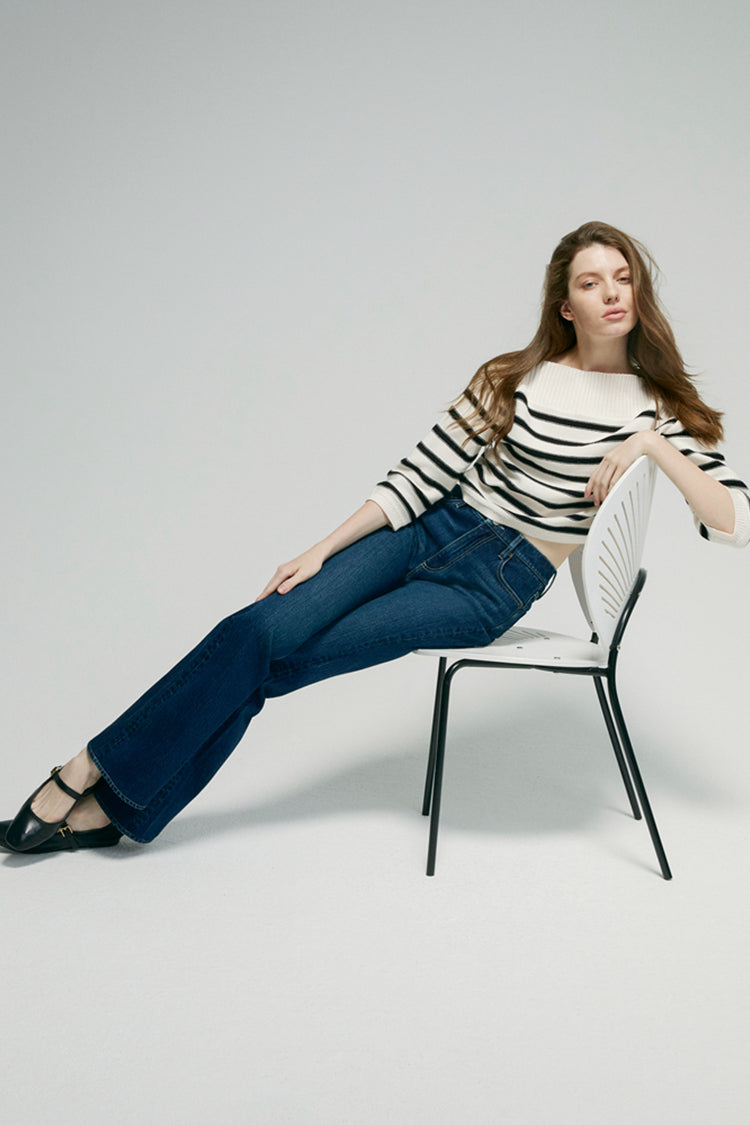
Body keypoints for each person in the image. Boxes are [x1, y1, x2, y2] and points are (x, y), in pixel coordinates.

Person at [3, 220, 748, 855]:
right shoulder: (511, 376)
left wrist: (652, 445)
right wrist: (321, 548)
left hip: (495, 583)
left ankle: (96, 788)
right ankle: (103, 788)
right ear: (565, 304)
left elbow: (735, 522)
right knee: (258, 629)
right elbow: (422, 471)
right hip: (429, 527)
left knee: (275, 660)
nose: (613, 292)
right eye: (591, 282)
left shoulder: (658, 409)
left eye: (623, 277)